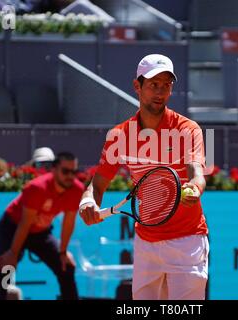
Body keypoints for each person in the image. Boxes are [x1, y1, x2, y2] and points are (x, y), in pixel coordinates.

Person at [79, 54, 209, 300]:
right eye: (153, 84)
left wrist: (194, 187)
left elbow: (197, 173)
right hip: (145, 243)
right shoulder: (119, 135)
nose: (160, 91)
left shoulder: (187, 129)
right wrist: (88, 202)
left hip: (187, 242)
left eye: (166, 85)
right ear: (137, 86)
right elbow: (97, 184)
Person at [0, 152, 84, 300]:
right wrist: (13, 253)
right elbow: (25, 223)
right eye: (65, 171)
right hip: (13, 227)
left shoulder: (76, 189)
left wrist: (63, 252)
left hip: (40, 232)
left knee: (66, 267)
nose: (70, 176)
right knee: (6, 268)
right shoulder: (37, 188)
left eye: (74, 172)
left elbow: (69, 222)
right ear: (54, 169)